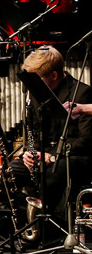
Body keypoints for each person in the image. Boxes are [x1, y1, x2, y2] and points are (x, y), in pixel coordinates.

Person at [15, 46, 91, 216]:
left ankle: (48, 227)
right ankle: (24, 223)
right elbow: (32, 130)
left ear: (54, 75)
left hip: (71, 157)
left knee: (52, 175)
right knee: (4, 176)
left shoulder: (82, 93)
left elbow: (85, 141)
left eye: (37, 79)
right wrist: (28, 151)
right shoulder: (36, 93)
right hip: (42, 155)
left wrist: (52, 155)